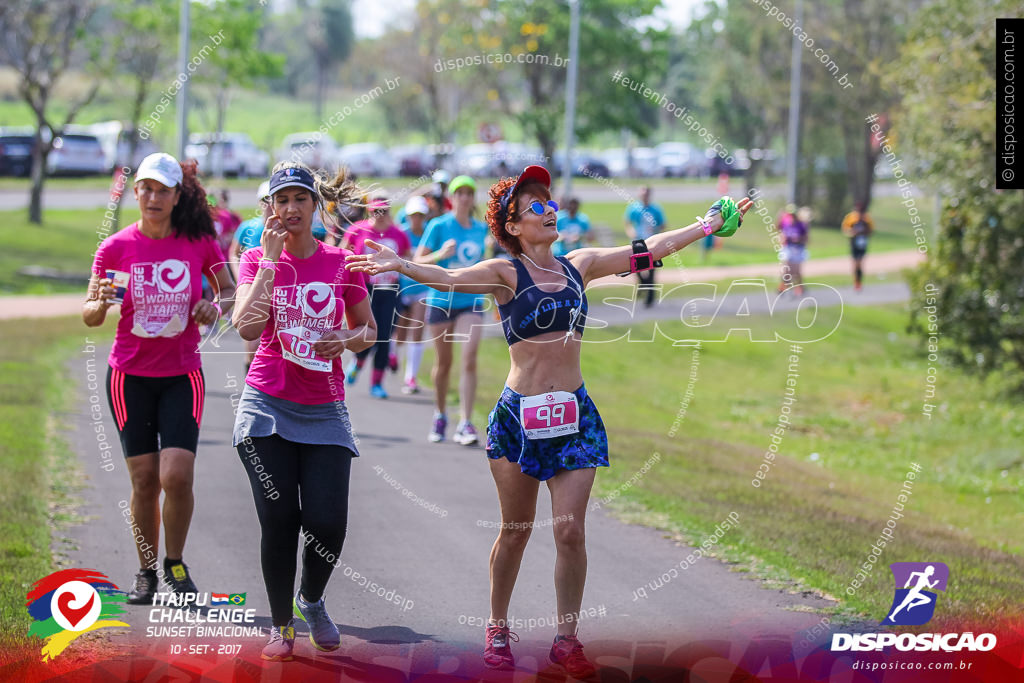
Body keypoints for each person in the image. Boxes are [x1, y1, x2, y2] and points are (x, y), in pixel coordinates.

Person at [346, 165, 751, 677]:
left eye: (550, 203)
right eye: (536, 206)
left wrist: (707, 224)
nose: (549, 210)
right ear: (513, 225)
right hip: (520, 416)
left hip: (575, 415)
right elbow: (447, 277)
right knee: (515, 531)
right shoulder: (503, 272)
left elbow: (647, 250)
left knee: (570, 533)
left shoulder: (578, 264)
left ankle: (566, 638)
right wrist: (401, 264)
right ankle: (497, 626)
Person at [231, 162, 376, 661]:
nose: (291, 208)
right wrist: (270, 263)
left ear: (316, 207)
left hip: (324, 409)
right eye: (281, 200)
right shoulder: (255, 258)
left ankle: (311, 598)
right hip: (267, 405)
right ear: (270, 208)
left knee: (328, 523)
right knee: (280, 517)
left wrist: (347, 338)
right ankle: (280, 625)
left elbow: (369, 330)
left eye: (300, 199)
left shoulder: (342, 262)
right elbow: (247, 328)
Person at [83, 152, 236, 604]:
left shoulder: (198, 241)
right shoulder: (115, 249)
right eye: (146, 188)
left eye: (162, 190)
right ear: (136, 193)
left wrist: (216, 308)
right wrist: (101, 303)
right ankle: (146, 572)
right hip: (128, 375)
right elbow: (90, 315)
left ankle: (175, 563)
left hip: (181, 374)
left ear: (175, 196)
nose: (152, 197)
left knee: (177, 476)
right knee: (145, 480)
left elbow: (228, 290)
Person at [415, 175, 489, 445]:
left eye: (470, 193)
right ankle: (440, 413)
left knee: (469, 359)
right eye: (460, 193)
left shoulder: (481, 229)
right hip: (440, 301)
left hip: (470, 301)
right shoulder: (438, 226)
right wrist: (439, 255)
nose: (465, 198)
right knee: (443, 364)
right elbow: (417, 261)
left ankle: (466, 423)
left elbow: (485, 267)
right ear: (453, 198)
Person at [341, 196, 412, 399]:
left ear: (390, 213)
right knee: (365, 332)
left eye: (383, 212)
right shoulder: (357, 229)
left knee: (384, 336)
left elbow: (408, 258)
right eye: (375, 212)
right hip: (365, 289)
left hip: (390, 290)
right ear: (369, 213)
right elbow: (343, 252)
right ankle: (358, 360)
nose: (379, 217)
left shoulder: (398, 234)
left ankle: (376, 383)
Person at [231, 181, 271, 372]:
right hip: (251, 287)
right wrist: (240, 276)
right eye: (265, 200)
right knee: (252, 343)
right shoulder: (248, 227)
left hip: (274, 288)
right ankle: (251, 380)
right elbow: (234, 252)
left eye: (273, 199)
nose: (269, 204)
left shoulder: (288, 228)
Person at [394, 196, 431, 394]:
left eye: (420, 215)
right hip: (402, 290)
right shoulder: (400, 234)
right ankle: (390, 356)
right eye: (413, 215)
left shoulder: (429, 234)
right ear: (407, 216)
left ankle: (411, 378)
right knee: (400, 334)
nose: (416, 219)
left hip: (422, 290)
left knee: (417, 331)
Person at [624, 186, 666, 307]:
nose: (644, 196)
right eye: (643, 194)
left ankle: (650, 298)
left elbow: (663, 224)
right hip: (638, 242)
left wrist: (656, 231)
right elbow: (627, 222)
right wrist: (631, 231)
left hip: (652, 243)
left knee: (651, 269)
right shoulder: (634, 208)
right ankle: (643, 283)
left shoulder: (656, 209)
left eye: (646, 194)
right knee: (635, 267)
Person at [841, 202, 874, 291]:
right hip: (853, 243)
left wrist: (863, 232)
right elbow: (845, 230)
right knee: (855, 263)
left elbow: (871, 231)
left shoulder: (867, 219)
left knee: (860, 263)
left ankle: (859, 282)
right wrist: (853, 232)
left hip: (863, 243)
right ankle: (856, 281)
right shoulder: (851, 218)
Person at [777, 203, 809, 295]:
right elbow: (779, 229)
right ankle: (783, 287)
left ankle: (800, 287)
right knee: (786, 269)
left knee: (796, 271)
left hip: (798, 249)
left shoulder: (801, 225)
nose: (792, 216)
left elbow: (806, 239)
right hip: (788, 248)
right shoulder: (786, 222)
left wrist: (799, 239)